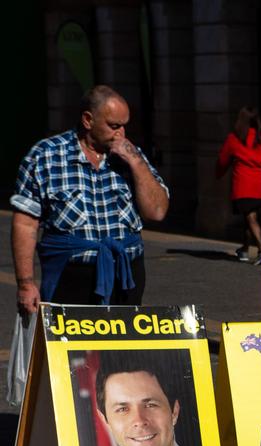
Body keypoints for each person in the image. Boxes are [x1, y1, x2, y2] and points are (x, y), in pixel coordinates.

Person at [11, 85, 169, 315]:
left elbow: (157, 212)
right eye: (114, 126)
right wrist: (25, 284)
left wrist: (135, 162)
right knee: (78, 352)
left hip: (125, 276)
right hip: (70, 276)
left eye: (125, 125)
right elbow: (25, 224)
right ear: (88, 120)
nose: (121, 134)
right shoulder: (45, 156)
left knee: (121, 350)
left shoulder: (132, 156)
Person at [89, 351, 205, 446]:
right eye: (123, 409)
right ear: (105, 420)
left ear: (174, 411)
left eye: (150, 405)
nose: (139, 421)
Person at [216, 106, 261, 265]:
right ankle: (244, 249)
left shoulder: (234, 138)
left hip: (243, 185)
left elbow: (223, 161)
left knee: (250, 218)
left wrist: (218, 173)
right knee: (249, 217)